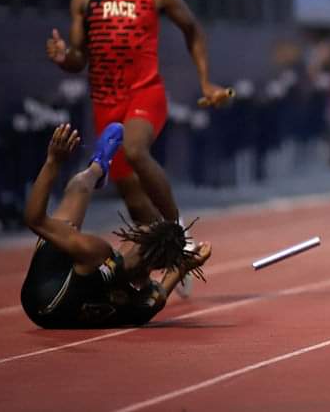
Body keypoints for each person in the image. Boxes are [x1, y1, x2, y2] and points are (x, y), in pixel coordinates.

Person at [45, 0, 231, 227]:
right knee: (130, 193)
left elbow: (193, 30)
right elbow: (79, 59)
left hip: (146, 92)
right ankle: (155, 256)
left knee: (134, 149)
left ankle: (176, 228)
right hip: (105, 100)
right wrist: (63, 57)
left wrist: (206, 82)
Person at [21, 122, 212, 329]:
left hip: (42, 293)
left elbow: (35, 220)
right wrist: (184, 266)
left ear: (135, 236)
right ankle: (98, 168)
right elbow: (160, 293)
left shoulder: (98, 252)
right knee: (72, 244)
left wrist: (52, 162)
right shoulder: (142, 302)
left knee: (79, 191)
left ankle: (97, 167)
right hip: (51, 316)